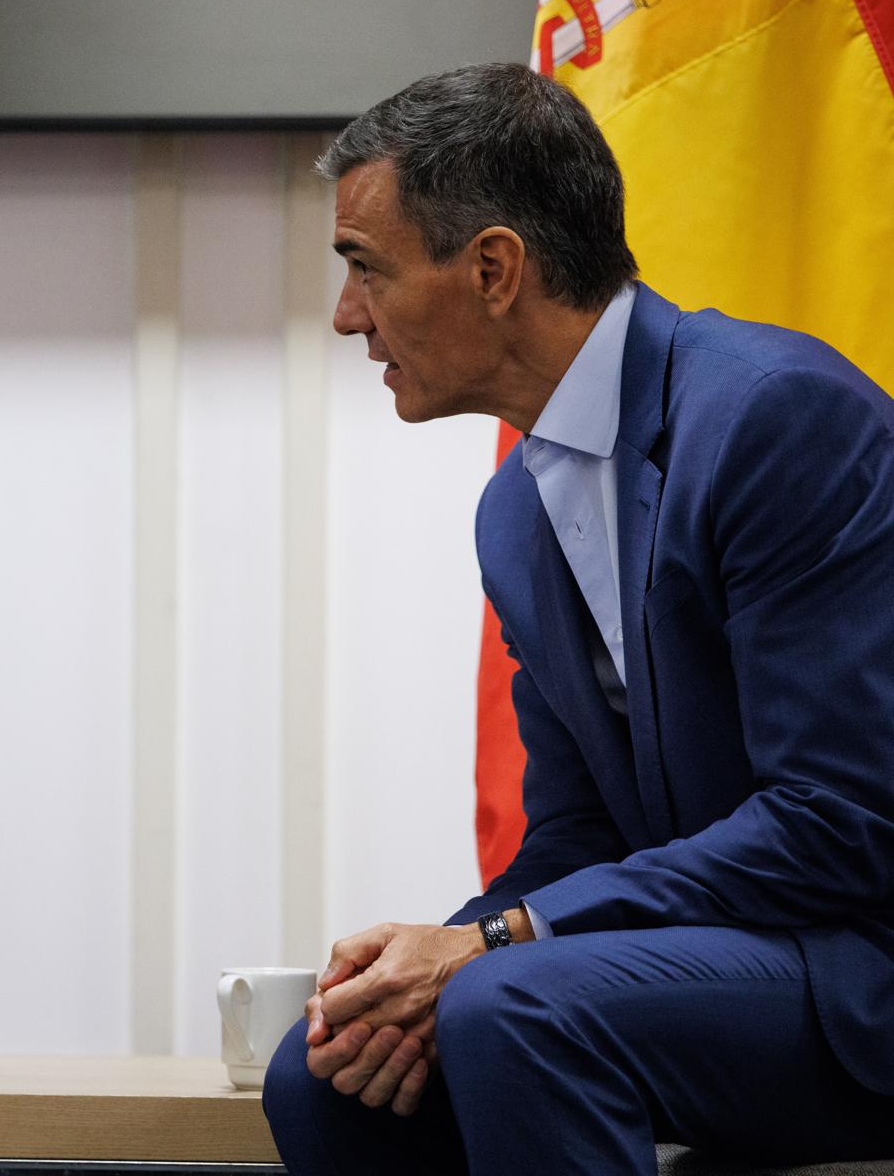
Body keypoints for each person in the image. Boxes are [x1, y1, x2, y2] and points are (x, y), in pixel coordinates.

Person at [261, 63, 894, 1174]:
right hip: (708, 962)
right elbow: (575, 834)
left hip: (861, 966)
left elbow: (840, 821)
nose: (347, 315)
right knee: (329, 1071)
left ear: (493, 269)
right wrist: (423, 964)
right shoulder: (513, 513)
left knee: (511, 1005)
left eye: (366, 267)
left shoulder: (773, 416)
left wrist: (491, 942)